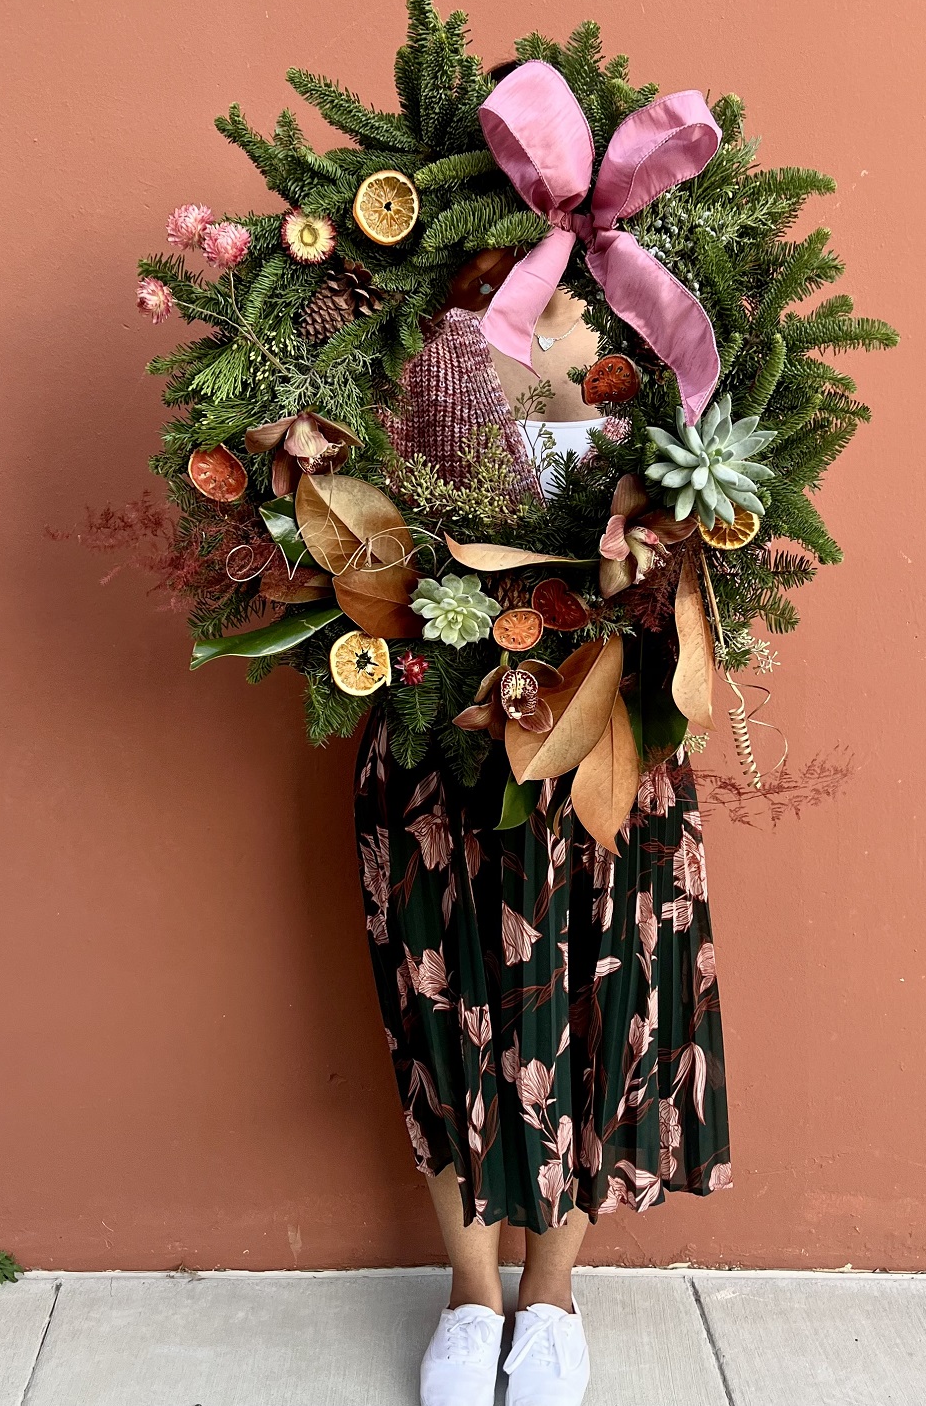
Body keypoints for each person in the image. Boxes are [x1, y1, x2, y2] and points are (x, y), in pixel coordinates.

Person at [353, 255, 731, 1406]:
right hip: (444, 739)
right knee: (446, 1010)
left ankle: (552, 1300)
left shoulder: (654, 325)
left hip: (612, 739)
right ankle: (472, 1295)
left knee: (596, 1005)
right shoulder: (418, 328)